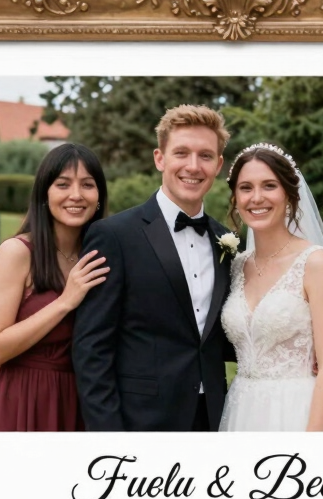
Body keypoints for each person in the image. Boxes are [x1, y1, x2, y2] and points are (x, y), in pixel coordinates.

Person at [72, 105, 233, 431]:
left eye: (205, 156)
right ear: (160, 158)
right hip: (140, 421)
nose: (193, 166)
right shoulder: (114, 235)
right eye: (181, 153)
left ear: (218, 165)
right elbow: (92, 349)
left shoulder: (225, 241)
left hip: (215, 419)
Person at [219, 143, 323, 432]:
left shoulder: (316, 263)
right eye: (246, 188)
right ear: (235, 198)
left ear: (289, 194)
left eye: (269, 186)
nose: (257, 197)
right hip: (243, 410)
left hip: (298, 412)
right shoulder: (237, 265)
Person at [0, 144, 109, 432]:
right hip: (22, 402)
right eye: (63, 184)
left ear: (99, 196)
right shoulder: (17, 253)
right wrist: (64, 302)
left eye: (87, 185)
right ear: (45, 193)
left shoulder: (101, 257)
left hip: (82, 405)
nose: (76, 195)